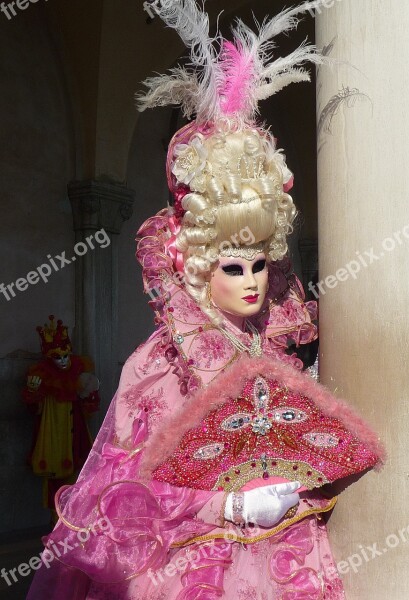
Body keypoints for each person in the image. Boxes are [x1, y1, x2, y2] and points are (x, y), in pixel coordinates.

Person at [27, 2, 385, 598]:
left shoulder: (278, 345)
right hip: (197, 569)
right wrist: (234, 506)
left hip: (291, 557)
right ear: (196, 267)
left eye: (259, 264)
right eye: (232, 266)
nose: (251, 281)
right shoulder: (157, 365)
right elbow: (126, 498)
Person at [22, 315, 100, 521]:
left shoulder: (78, 375)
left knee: (80, 478)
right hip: (54, 436)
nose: (64, 360)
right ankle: (57, 524)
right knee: (55, 483)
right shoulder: (43, 379)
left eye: (66, 355)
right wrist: (33, 393)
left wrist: (90, 396)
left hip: (77, 434)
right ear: (49, 358)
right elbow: (34, 409)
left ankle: (76, 524)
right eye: (58, 357)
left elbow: (89, 409)